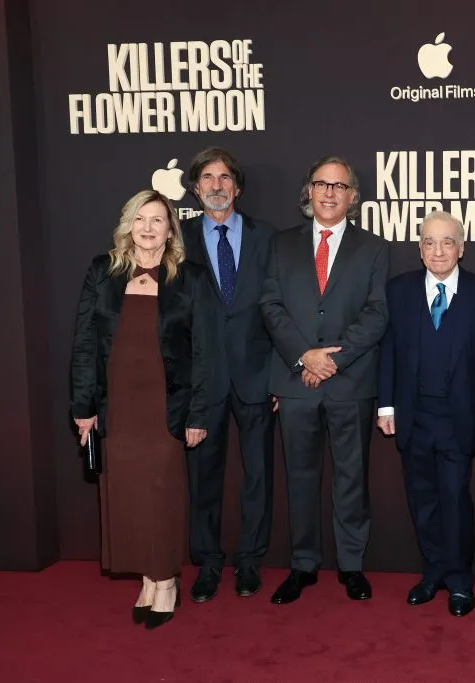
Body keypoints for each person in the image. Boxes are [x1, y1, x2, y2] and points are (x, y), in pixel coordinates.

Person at [70, 189, 210, 629]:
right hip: (119, 405)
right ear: (127, 225)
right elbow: (85, 343)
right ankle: (148, 580)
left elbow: (206, 351)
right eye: (140, 219)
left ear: (171, 231)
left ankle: (166, 580)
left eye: (158, 220)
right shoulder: (103, 271)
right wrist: (84, 406)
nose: (148, 228)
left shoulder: (190, 279)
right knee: (129, 493)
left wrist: (198, 413)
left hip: (167, 405)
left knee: (161, 494)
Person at [260, 156, 389, 604]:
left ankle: (352, 565)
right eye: (321, 184)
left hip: (348, 381)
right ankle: (302, 564)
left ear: (353, 196)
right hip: (296, 382)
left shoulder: (373, 248)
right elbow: (271, 306)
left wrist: (334, 360)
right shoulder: (281, 245)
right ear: (308, 192)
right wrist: (304, 357)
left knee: (351, 477)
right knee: (300, 477)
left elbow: (377, 313)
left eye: (339, 186)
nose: (329, 193)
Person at [377, 211, 475, 618]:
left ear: (461, 248)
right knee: (422, 500)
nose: (438, 250)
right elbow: (388, 351)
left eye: (447, 242)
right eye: (429, 242)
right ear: (419, 249)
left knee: (454, 499)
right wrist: (386, 404)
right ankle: (433, 573)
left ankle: (460, 582)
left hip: (459, 419)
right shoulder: (398, 291)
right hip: (414, 416)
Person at [181, 147, 276, 603]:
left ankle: (249, 563)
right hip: (202, 382)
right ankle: (208, 563)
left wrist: (280, 374)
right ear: (196, 188)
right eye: (207, 178)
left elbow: (282, 310)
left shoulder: (268, 238)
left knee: (258, 475)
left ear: (237, 187)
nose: (217, 186)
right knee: (203, 477)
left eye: (224, 178)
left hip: (258, 376)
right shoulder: (176, 242)